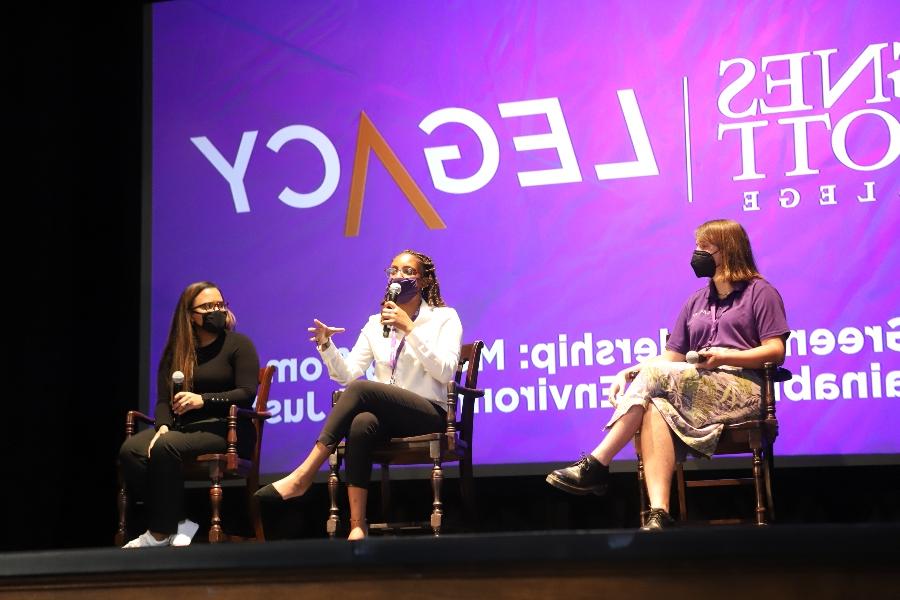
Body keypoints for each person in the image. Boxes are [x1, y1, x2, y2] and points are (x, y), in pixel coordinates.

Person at [546, 219, 789, 530]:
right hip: (698, 388)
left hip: (743, 390)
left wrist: (728, 355)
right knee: (656, 408)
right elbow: (671, 358)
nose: (697, 253)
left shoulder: (760, 293)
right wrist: (629, 370)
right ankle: (660, 513)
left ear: (727, 252)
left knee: (657, 380)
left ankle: (597, 464)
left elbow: (775, 351)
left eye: (705, 248)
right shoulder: (696, 301)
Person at [255, 249, 462, 541]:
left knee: (362, 390)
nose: (398, 277)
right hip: (389, 417)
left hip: (429, 413)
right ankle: (356, 524)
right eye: (393, 271)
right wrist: (327, 346)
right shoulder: (375, 323)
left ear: (425, 281)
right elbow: (348, 374)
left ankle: (303, 474)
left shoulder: (444, 318)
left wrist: (410, 329)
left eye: (407, 271)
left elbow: (445, 372)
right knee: (361, 422)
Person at [119, 281, 260, 548]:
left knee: (166, 446)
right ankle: (179, 523)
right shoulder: (177, 352)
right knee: (132, 450)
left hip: (227, 429)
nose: (216, 310)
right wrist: (162, 425)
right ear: (190, 314)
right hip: (185, 430)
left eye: (220, 305)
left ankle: (160, 534)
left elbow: (246, 393)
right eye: (208, 306)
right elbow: (163, 400)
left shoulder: (239, 345)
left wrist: (202, 400)